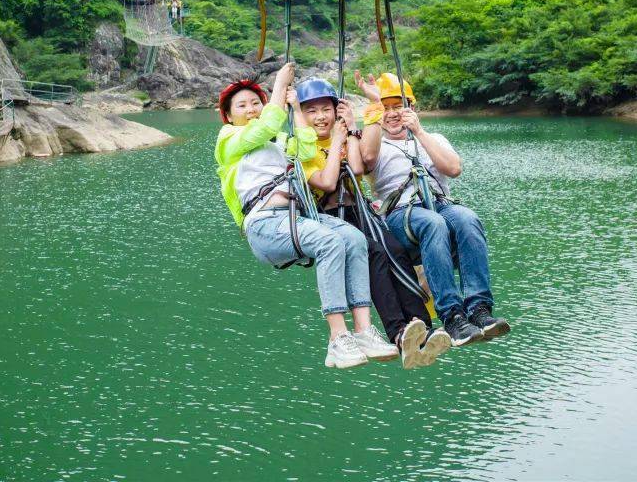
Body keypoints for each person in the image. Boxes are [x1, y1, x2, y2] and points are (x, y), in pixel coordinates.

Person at [214, 62, 397, 369]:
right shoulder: (229, 140)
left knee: (353, 238)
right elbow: (267, 126)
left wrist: (297, 108)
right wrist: (277, 89)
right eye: (242, 105)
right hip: (265, 224)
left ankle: (364, 330)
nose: (251, 109)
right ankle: (338, 337)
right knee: (329, 242)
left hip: (293, 218)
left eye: (255, 103)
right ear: (229, 116)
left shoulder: (277, 145)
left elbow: (307, 150)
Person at [295, 78, 452, 370]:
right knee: (374, 255)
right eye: (311, 111)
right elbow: (327, 182)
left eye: (326, 110)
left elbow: (356, 167)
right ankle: (397, 329)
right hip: (331, 213)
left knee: (394, 250)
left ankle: (421, 326)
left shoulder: (340, 134)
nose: (320, 117)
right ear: (301, 115)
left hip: (359, 209)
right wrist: (339, 140)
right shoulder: (302, 147)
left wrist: (350, 128)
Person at [356, 71, 511, 348]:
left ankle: (479, 309)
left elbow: (453, 168)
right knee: (433, 224)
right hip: (401, 212)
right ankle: (452, 315)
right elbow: (365, 160)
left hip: (439, 204)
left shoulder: (432, 137)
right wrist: (375, 108)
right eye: (386, 108)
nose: (392, 114)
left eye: (398, 107)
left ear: (412, 109)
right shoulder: (375, 141)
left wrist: (419, 132)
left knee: (467, 218)